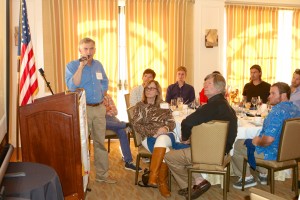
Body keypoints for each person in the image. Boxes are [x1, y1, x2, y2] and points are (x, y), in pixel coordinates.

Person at [164, 73, 237, 199]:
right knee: (183, 151)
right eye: (205, 83)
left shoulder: (213, 106)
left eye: (209, 83)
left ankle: (192, 186)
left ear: (219, 88)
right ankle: (198, 181)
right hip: (223, 153)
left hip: (210, 155)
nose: (205, 86)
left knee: (170, 156)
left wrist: (185, 138)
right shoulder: (225, 105)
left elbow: (187, 122)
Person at [65, 37, 116, 184]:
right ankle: (80, 178)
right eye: (85, 49)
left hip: (99, 109)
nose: (89, 52)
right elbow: (72, 87)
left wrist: (102, 93)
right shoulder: (72, 66)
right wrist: (81, 66)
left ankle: (102, 175)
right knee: (81, 144)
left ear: (95, 50)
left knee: (100, 142)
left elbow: (105, 81)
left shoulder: (98, 65)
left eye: (91, 48)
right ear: (80, 50)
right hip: (82, 110)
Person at [232, 82, 300, 189]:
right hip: (289, 154)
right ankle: (263, 174)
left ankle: (247, 178)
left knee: (237, 144)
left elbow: (268, 140)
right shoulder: (296, 109)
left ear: (283, 95)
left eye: (273, 93)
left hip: (272, 154)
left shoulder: (277, 111)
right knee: (252, 142)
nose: (269, 96)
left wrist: (257, 141)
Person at [132, 80, 189, 198]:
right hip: (149, 137)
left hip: (168, 135)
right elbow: (137, 125)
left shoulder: (164, 105)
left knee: (162, 138)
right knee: (165, 151)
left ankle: (154, 177)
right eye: (147, 88)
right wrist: (153, 132)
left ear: (157, 91)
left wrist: (165, 128)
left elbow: (172, 122)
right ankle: (162, 182)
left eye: (152, 88)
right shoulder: (140, 106)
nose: (149, 90)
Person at [103, 94, 142, 172]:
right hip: (101, 121)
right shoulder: (93, 99)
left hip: (112, 118)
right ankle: (125, 124)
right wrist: (106, 109)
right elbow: (97, 114)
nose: (105, 89)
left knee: (122, 132)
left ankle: (128, 162)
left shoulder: (108, 97)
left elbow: (115, 111)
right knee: (103, 121)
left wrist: (106, 109)